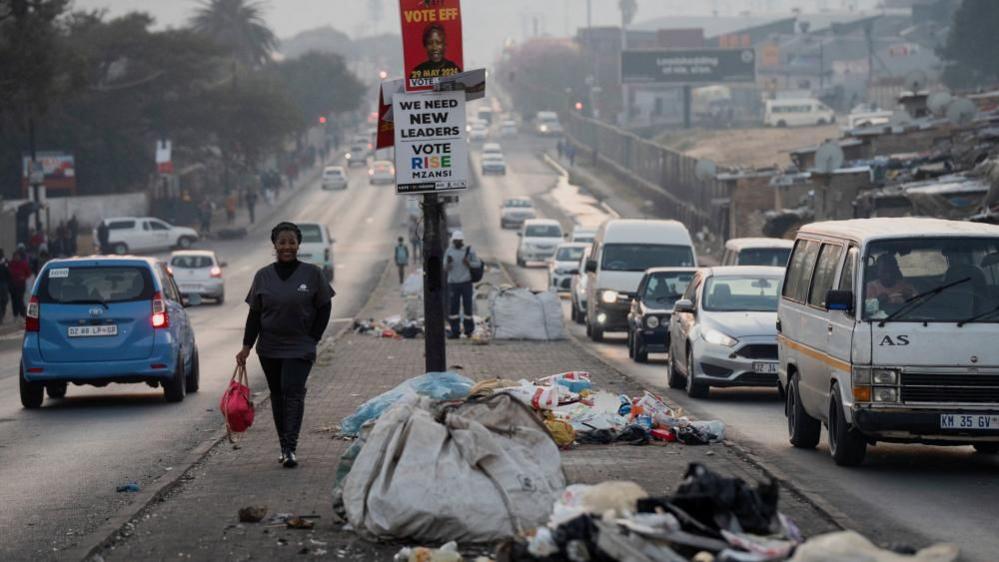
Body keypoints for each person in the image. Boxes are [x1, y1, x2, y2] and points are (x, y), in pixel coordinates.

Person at [237, 222, 334, 469]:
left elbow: (324, 307)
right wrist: (247, 346)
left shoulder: (313, 273)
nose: (287, 247)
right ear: (275, 245)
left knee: (293, 393)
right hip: (269, 347)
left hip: (300, 346)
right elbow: (255, 315)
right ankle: (283, 445)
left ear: (298, 244)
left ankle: (291, 447)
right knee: (278, 396)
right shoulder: (263, 276)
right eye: (282, 242)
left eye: (292, 242)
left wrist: (313, 337)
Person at [444, 230, 481, 339]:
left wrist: (468, 263)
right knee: (453, 309)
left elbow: (478, 264)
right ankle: (455, 331)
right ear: (453, 241)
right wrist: (449, 263)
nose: (457, 243)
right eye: (456, 241)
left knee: (468, 308)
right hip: (453, 284)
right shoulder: (449, 251)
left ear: (462, 241)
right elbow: (444, 267)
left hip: (466, 283)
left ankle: (469, 330)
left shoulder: (469, 251)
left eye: (459, 241)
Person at [8, 249, 31, 319]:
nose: (16, 258)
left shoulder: (23, 264)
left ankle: (23, 313)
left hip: (21, 284)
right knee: (14, 299)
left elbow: (29, 273)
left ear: (20, 257)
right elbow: (8, 273)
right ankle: (15, 314)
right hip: (12, 284)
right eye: (15, 256)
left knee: (19, 298)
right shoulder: (10, 263)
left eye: (18, 256)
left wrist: (24, 277)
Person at [0, 250, 10, 324]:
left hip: (4, 283)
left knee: (4, 300)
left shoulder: (5, 262)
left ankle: (2, 314)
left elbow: (8, 272)